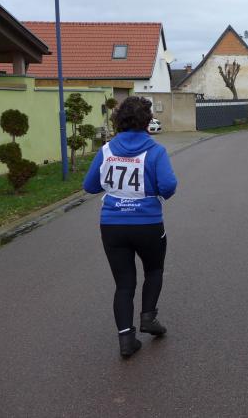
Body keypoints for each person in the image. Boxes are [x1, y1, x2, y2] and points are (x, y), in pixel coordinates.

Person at [83, 96, 178, 358]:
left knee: (124, 284)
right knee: (154, 270)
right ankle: (148, 317)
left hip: (112, 225)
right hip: (147, 223)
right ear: (147, 121)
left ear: (119, 120)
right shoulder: (156, 151)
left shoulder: (106, 150)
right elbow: (168, 187)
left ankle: (126, 339)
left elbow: (90, 186)